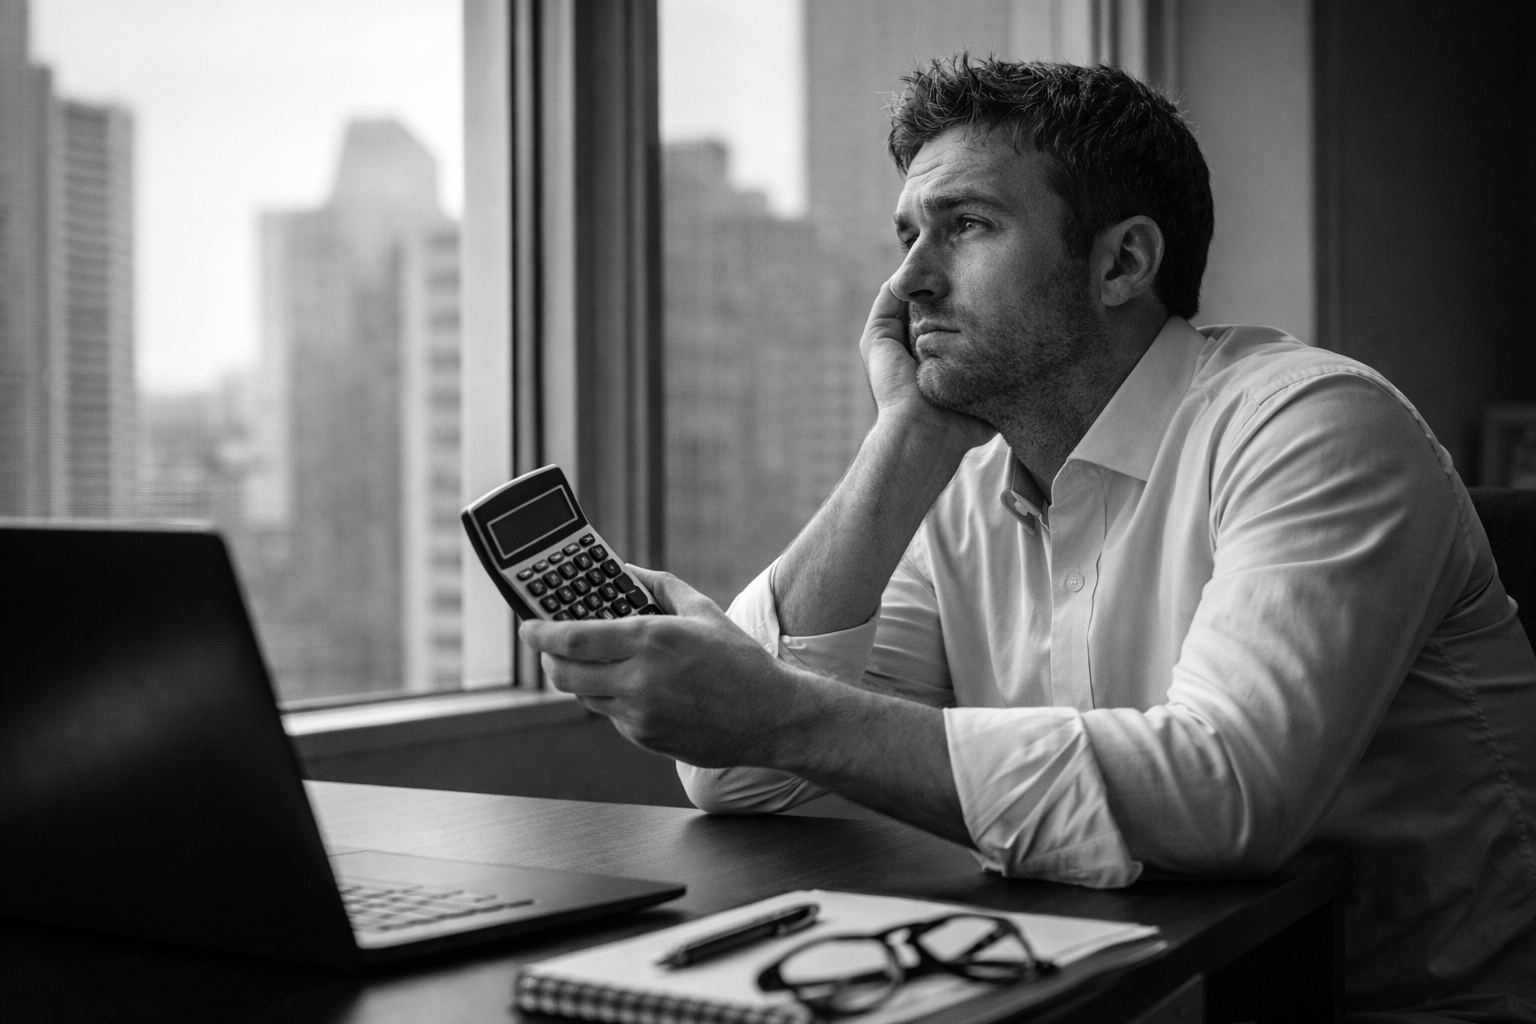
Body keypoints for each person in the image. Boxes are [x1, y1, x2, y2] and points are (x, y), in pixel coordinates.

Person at [519, 59, 1536, 1018]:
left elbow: (1228, 794)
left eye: (964, 226)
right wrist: (908, 440)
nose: (908, 283)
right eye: (906, 237)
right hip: (1095, 989)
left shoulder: (1315, 424)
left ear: (1122, 262)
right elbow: (743, 773)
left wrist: (776, 709)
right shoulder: (961, 486)